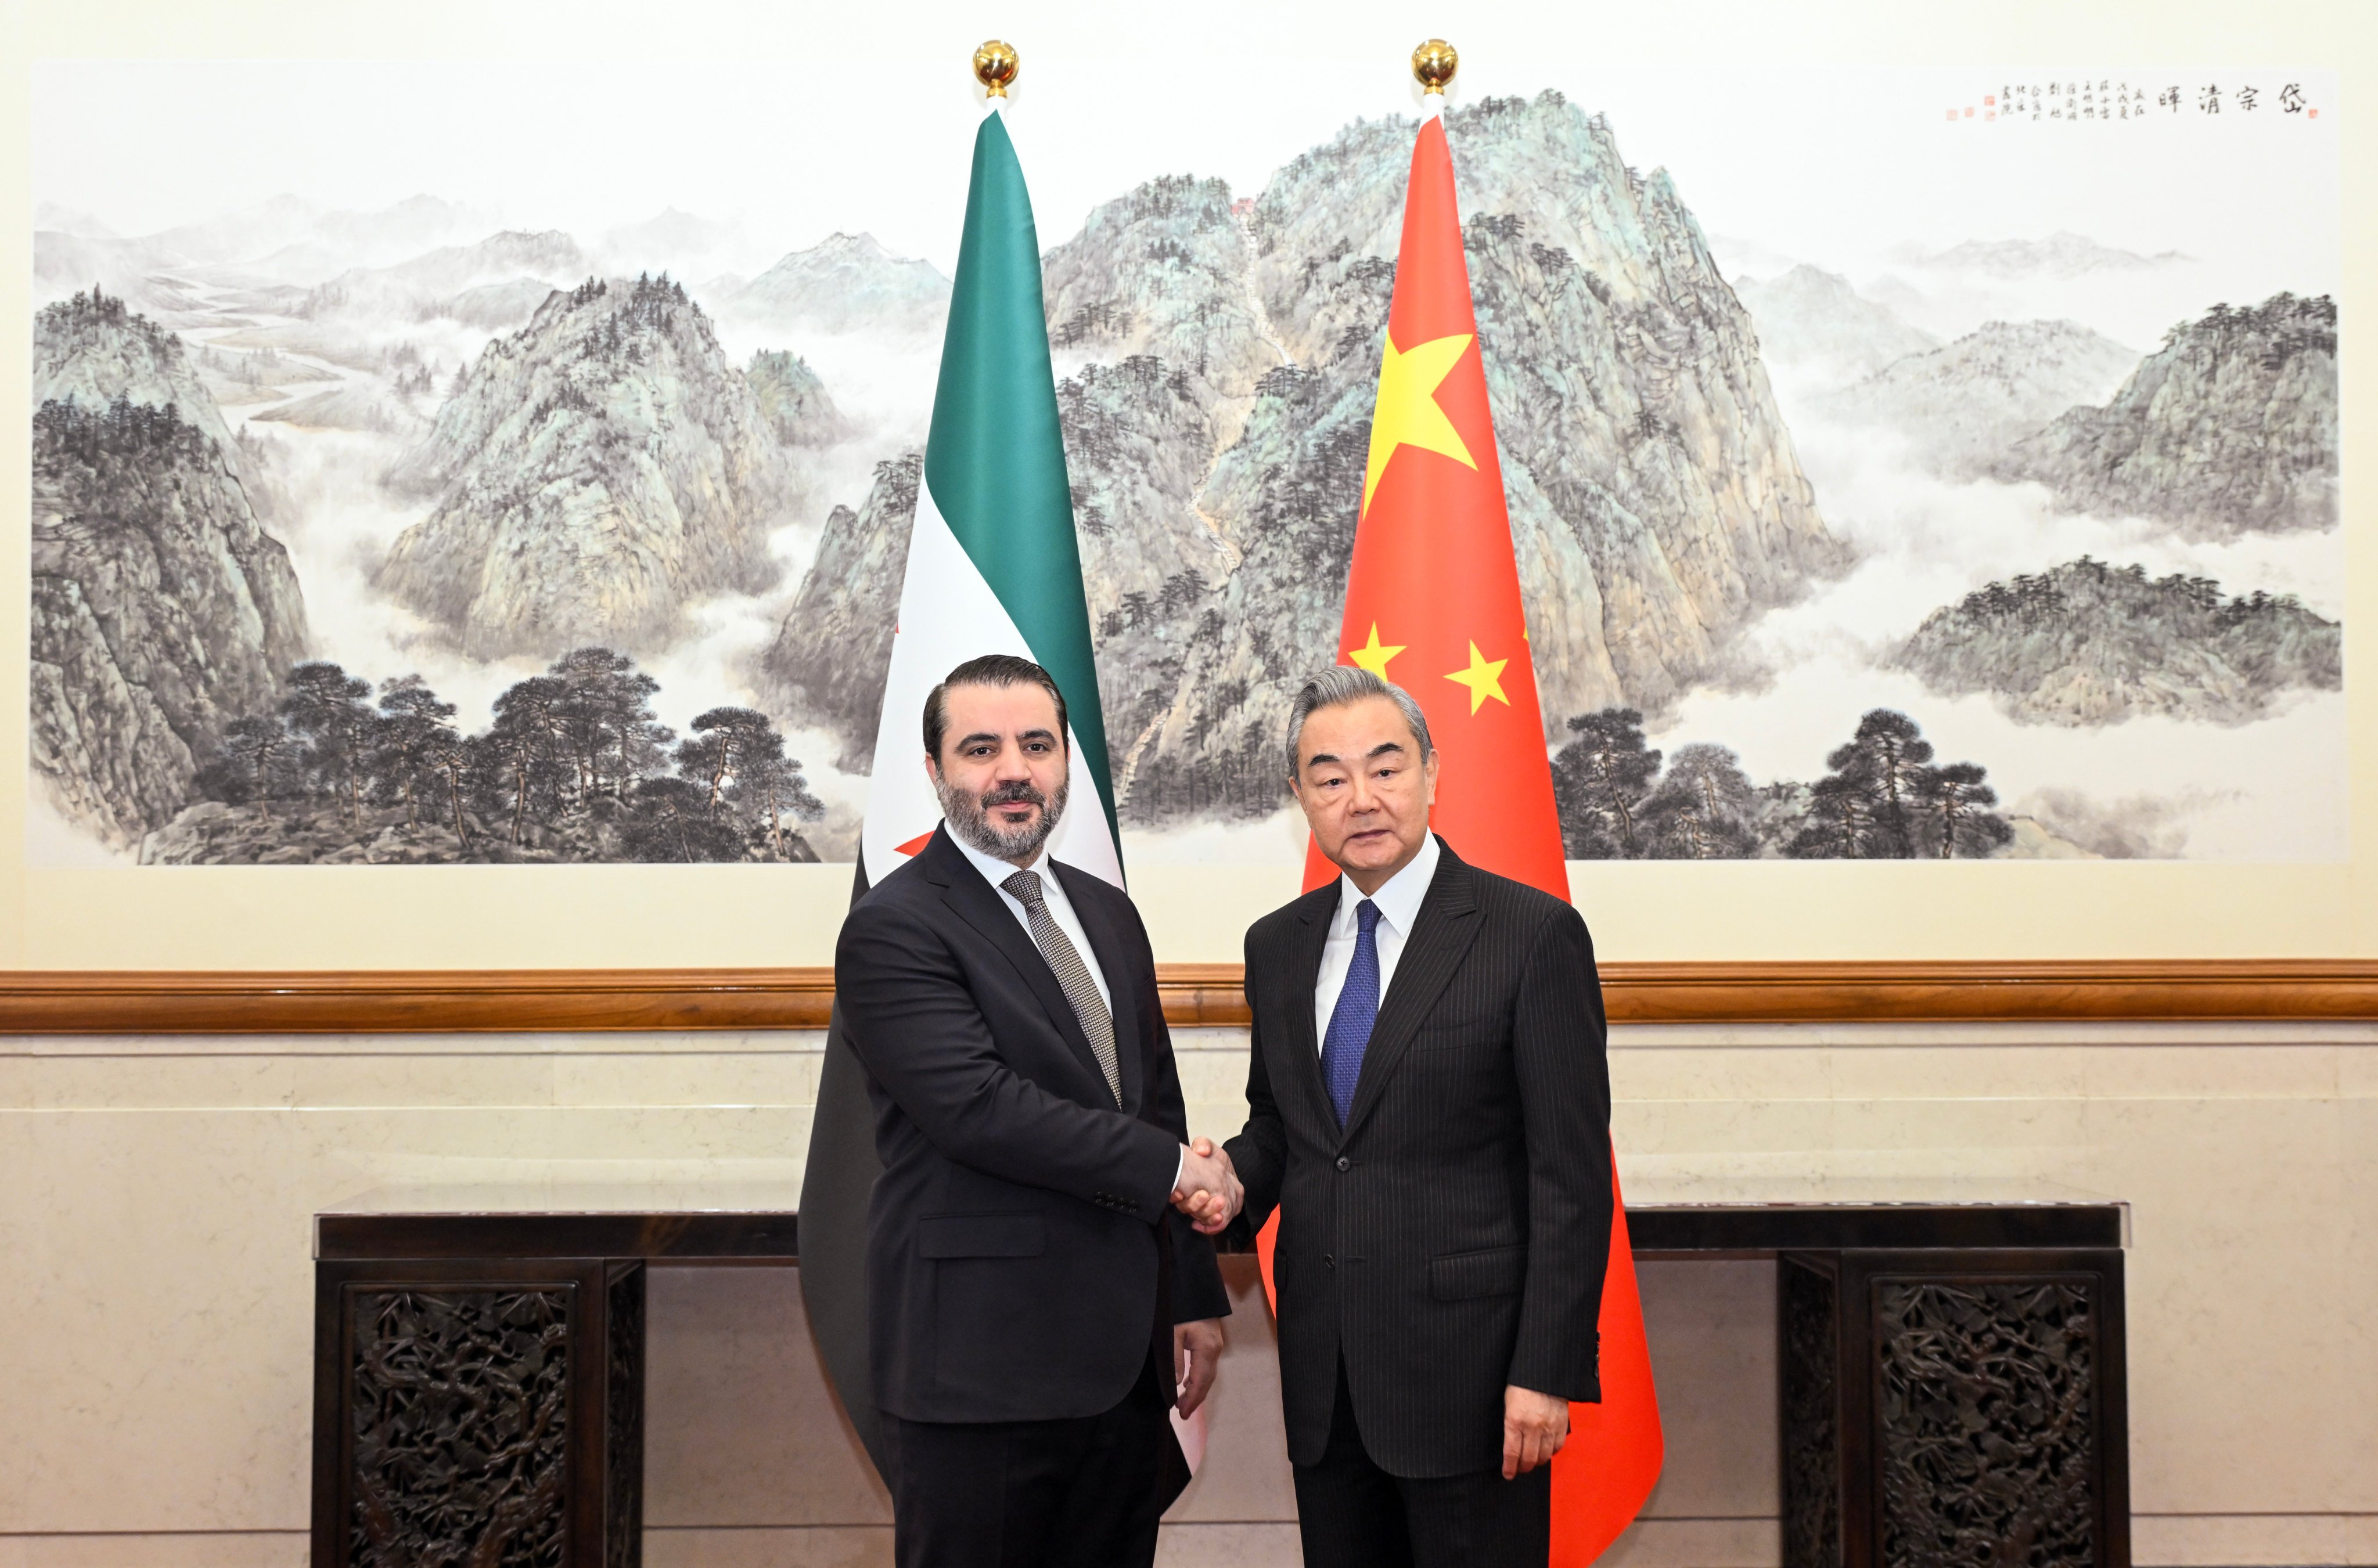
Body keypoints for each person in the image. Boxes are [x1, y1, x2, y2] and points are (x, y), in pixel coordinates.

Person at [834, 653, 1236, 1568]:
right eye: (980, 748)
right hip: (981, 1376)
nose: (1012, 769)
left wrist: (1192, 1295)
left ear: (1065, 766)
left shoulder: (1105, 913)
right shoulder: (895, 925)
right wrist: (1180, 1171)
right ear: (934, 772)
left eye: (1036, 745)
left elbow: (1154, 1101)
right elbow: (978, 1106)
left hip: (1123, 1370)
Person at [1213, 664, 1614, 1567]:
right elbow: (1283, 1126)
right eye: (1329, 776)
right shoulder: (1276, 946)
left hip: (1475, 1388)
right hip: (1327, 1381)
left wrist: (1545, 1370)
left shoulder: (1530, 934)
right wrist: (1227, 1182)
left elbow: (1572, 1176)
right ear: (1300, 798)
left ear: (1433, 773)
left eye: (1386, 767)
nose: (1361, 797)